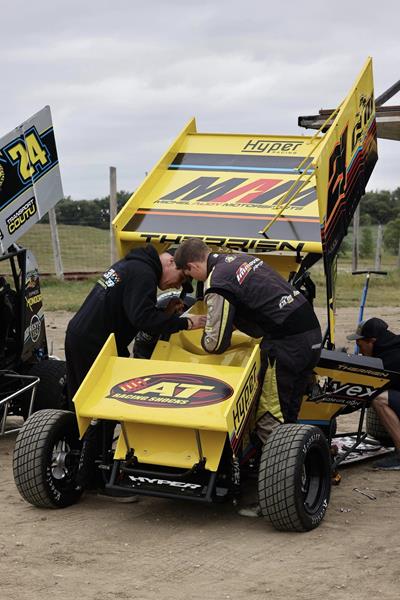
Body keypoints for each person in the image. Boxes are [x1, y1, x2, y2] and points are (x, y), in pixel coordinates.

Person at [174, 239, 322, 441]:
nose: (194, 279)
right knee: (290, 410)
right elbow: (257, 300)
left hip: (287, 343)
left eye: (190, 275)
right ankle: (296, 459)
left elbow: (215, 343)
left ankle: (275, 470)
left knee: (270, 418)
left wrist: (201, 333)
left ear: (192, 266)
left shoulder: (217, 282)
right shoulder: (239, 258)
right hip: (311, 333)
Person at [65, 244, 206, 403]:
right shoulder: (143, 273)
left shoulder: (134, 265)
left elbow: (132, 312)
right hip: (93, 344)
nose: (178, 285)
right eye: (181, 278)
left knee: (87, 399)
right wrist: (186, 323)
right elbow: (143, 319)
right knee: (95, 404)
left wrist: (165, 314)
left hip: (86, 336)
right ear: (171, 262)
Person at [347, 317, 400, 470]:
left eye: (359, 344)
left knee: (379, 400)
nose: (359, 350)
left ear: (371, 341)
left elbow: (364, 393)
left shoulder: (390, 360)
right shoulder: (392, 347)